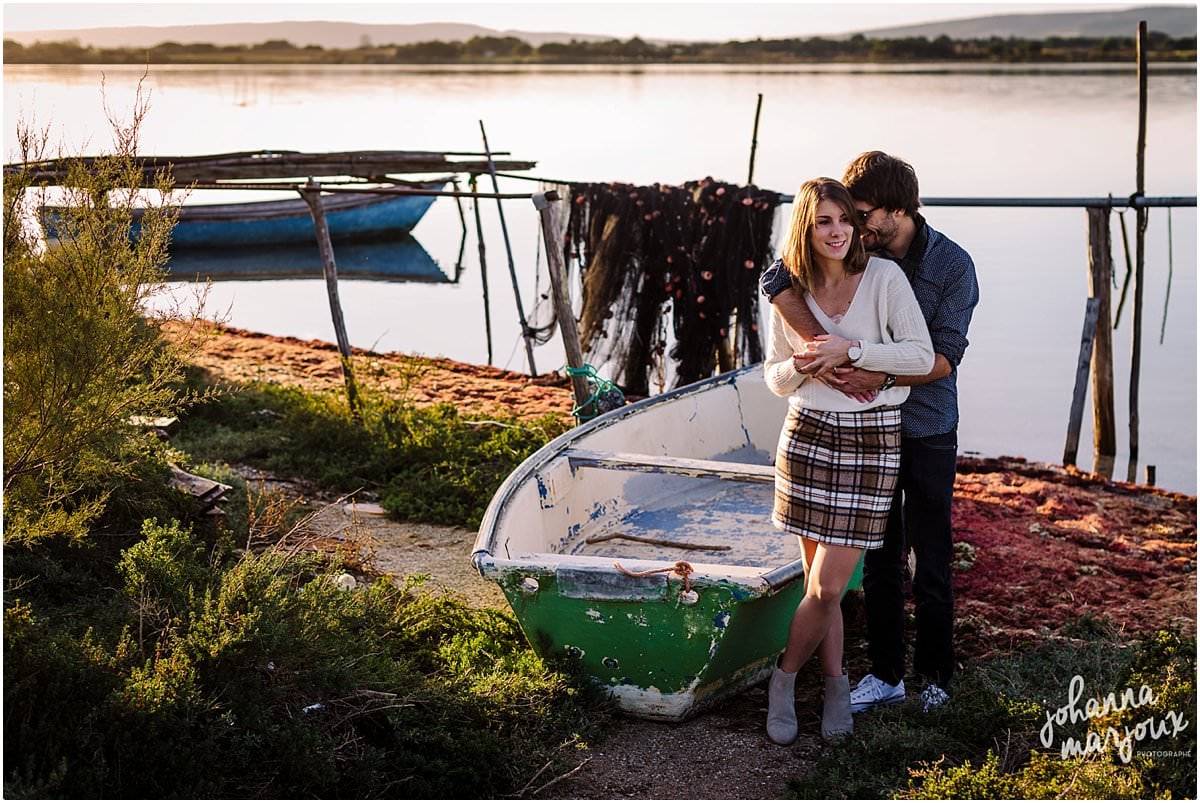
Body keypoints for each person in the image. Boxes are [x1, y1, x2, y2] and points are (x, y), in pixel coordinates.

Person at [759, 151, 980, 715]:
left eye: (861, 214)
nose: (852, 226)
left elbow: (942, 358)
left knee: (930, 554)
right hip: (858, 426)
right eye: (843, 216)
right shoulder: (860, 250)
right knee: (879, 558)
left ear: (897, 210)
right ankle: (885, 672)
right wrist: (776, 283)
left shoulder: (953, 266)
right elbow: (796, 275)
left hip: (926, 424)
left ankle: (935, 675)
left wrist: (874, 370)